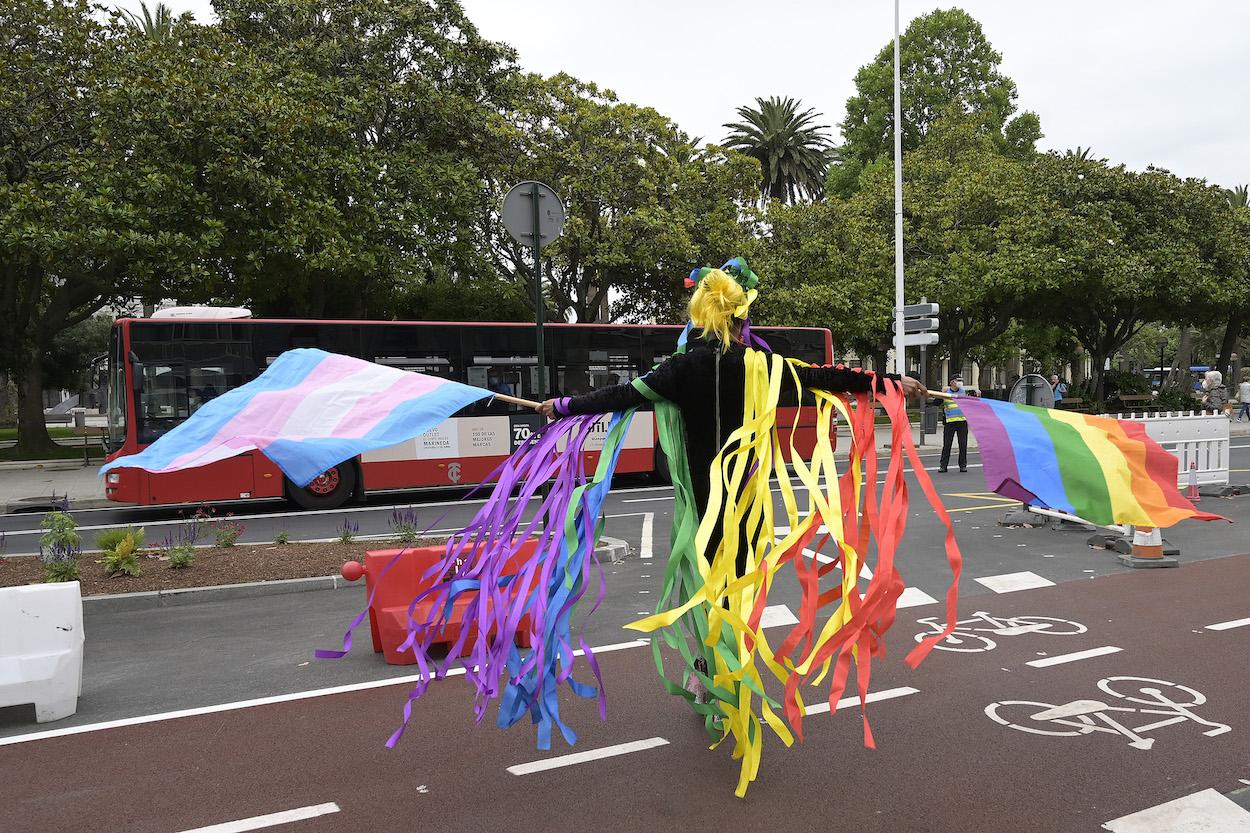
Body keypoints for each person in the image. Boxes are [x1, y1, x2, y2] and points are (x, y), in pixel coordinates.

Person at [536, 264, 926, 701]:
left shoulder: (679, 370)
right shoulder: (761, 366)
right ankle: (731, 667)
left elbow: (620, 394)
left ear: (700, 319)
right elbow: (823, 376)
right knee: (739, 587)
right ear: (740, 321)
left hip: (702, 507)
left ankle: (704, 666)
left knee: (705, 586)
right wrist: (887, 383)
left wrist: (564, 404)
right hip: (745, 501)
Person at [937, 376, 975, 472]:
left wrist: (977, 394)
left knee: (963, 444)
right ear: (951, 382)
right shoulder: (946, 392)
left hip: (962, 422)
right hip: (950, 423)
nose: (960, 382)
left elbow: (972, 402)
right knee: (947, 445)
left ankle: (963, 465)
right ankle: (943, 466)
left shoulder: (963, 392)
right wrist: (942, 393)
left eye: (961, 381)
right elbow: (936, 403)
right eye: (958, 381)